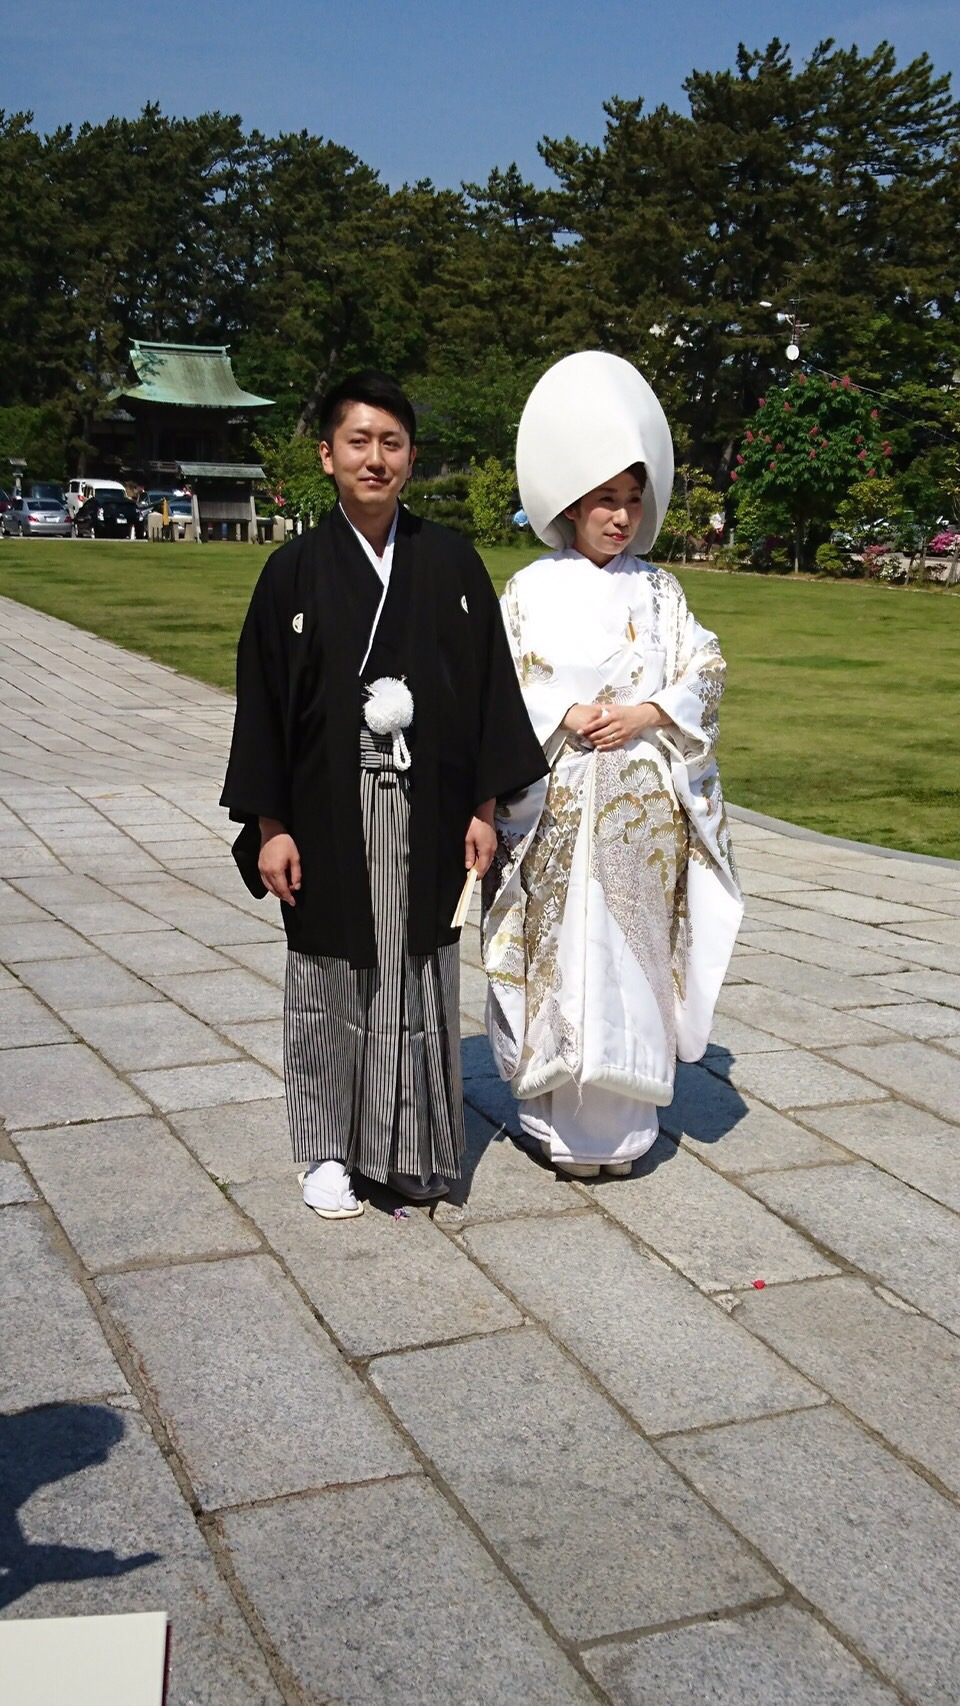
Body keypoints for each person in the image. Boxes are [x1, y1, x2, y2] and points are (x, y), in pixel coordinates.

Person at [221, 371, 547, 1218]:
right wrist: (270, 825)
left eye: (392, 443)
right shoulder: (291, 573)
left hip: (430, 809)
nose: (376, 458)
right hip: (324, 811)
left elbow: (485, 696)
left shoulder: (450, 564)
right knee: (327, 974)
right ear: (327, 456)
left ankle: (408, 1143)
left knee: (417, 975)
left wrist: (484, 807)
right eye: (358, 442)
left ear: (410, 457)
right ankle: (327, 1147)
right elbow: (263, 709)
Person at [483, 352, 743, 1178]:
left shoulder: (662, 593)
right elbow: (502, 675)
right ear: (572, 505)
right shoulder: (528, 590)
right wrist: (561, 712)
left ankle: (624, 1133)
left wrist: (643, 713)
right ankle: (560, 1128)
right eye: (605, 501)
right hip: (555, 804)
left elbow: (704, 667)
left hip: (638, 813)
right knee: (561, 956)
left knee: (628, 960)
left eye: (633, 502)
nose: (621, 518)